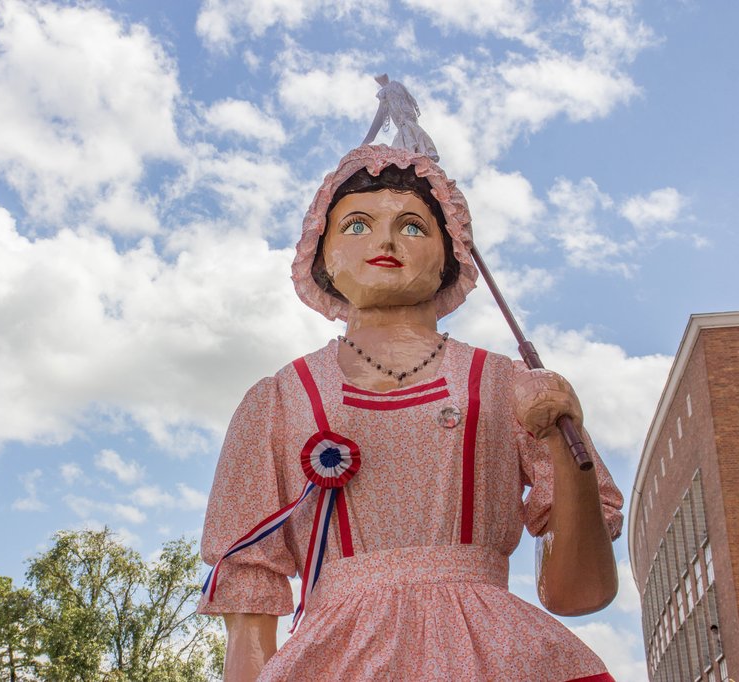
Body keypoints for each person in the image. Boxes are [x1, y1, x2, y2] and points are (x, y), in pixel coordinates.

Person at [198, 84, 623, 682]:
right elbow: (248, 605)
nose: (387, 241)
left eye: (414, 227)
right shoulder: (277, 401)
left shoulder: (510, 386)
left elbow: (578, 595)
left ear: (452, 254)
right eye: (357, 224)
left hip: (499, 656)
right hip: (335, 658)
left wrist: (565, 449)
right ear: (322, 255)